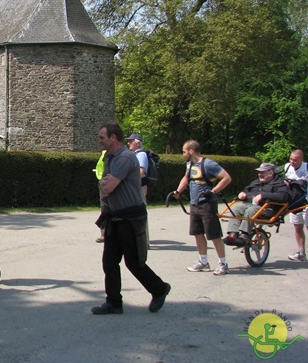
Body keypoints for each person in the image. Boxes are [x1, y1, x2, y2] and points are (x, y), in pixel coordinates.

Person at [91, 123, 170, 315]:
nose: (99, 140)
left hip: (130, 217)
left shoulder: (125, 158)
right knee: (109, 262)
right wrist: (105, 183)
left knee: (134, 262)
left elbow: (107, 187)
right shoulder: (110, 156)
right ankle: (114, 303)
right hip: (115, 216)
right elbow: (106, 183)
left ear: (113, 138)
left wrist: (104, 183)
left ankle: (159, 289)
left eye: (102, 137)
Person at [172, 140, 232, 276]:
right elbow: (186, 178)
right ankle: (203, 261)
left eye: (184, 151)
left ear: (191, 151)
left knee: (214, 235)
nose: (183, 154)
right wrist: (178, 191)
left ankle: (223, 263)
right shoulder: (189, 164)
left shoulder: (209, 164)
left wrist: (213, 191)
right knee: (197, 233)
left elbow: (226, 178)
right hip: (194, 204)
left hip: (207, 204)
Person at [223, 163, 289, 247]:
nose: (259, 174)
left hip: (267, 208)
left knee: (251, 210)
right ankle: (232, 235)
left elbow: (282, 196)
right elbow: (247, 189)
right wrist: (243, 193)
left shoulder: (279, 183)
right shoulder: (256, 182)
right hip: (250, 205)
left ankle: (244, 236)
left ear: (271, 173)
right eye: (259, 172)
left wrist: (263, 195)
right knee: (236, 209)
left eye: (262, 172)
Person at [124, 133, 150, 246]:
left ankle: (144, 240)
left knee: (141, 212)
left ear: (137, 143)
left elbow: (141, 172)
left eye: (131, 141)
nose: (128, 143)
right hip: (136, 187)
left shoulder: (141, 155)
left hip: (139, 187)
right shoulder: (135, 154)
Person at [284, 149, 308, 262]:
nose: (292, 162)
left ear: (301, 160)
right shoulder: (287, 167)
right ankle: (301, 252)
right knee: (297, 227)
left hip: (306, 201)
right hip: (295, 201)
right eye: (291, 159)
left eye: (295, 160)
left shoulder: (306, 168)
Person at [95, 150, 107, 243]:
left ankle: (105, 234)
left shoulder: (110, 153)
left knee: (106, 209)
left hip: (107, 183)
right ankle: (104, 233)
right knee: (105, 209)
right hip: (104, 182)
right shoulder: (105, 152)